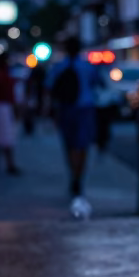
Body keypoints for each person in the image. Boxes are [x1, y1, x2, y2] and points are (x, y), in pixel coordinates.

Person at [48, 38, 101, 217]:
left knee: (70, 145)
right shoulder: (87, 67)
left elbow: (50, 89)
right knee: (81, 145)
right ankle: (78, 175)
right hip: (83, 109)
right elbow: (97, 83)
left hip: (68, 109)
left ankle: (74, 174)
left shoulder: (59, 67)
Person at [0, 53, 21, 175]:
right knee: (6, 136)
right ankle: (9, 163)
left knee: (6, 135)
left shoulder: (2, 73)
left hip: (3, 106)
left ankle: (9, 163)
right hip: (1, 106)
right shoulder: (0, 74)